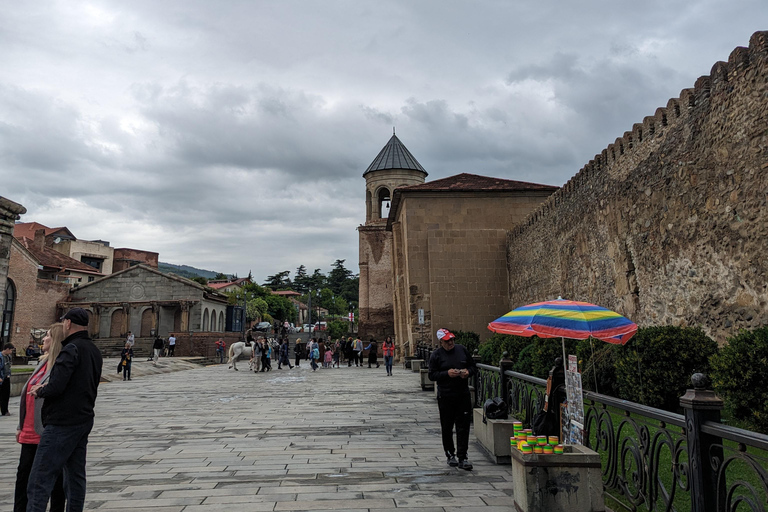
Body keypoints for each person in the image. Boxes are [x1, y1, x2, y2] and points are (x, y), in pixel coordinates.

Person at [26, 307, 103, 511]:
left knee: (39, 479)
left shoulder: (70, 349)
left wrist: (40, 390)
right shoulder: (94, 350)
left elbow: (58, 386)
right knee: (75, 477)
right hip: (84, 419)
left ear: (68, 323)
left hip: (62, 422)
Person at [14, 323, 66, 512]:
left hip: (46, 434)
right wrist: (20, 425)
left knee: (53, 483)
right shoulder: (43, 363)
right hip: (29, 432)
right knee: (23, 481)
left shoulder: (61, 366)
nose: (43, 338)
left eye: (48, 335)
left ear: (56, 340)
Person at [428, 328, 475, 471]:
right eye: (448, 341)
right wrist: (447, 374)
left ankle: (463, 456)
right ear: (441, 341)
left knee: (463, 426)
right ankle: (450, 454)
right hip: (446, 395)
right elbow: (432, 375)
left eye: (452, 340)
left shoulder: (462, 350)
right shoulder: (436, 355)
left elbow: (473, 366)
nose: (451, 343)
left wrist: (468, 372)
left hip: (462, 394)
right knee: (447, 426)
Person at [1, 343, 13, 416]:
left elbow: (9, 366)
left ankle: (5, 410)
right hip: (1, 378)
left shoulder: (8, 357)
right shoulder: (0, 356)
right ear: (7, 349)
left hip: (6, 377)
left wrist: (8, 374)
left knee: (6, 395)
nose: (11, 352)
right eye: (11, 350)